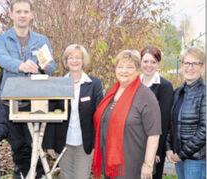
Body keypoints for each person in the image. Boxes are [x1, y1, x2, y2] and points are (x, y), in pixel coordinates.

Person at [0, 0, 57, 178]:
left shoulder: (41, 40)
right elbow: (2, 59)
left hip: (35, 100)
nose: (22, 15)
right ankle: (26, 173)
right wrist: (22, 66)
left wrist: (45, 64)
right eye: (18, 11)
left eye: (25, 11)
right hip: (10, 102)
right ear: (11, 15)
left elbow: (51, 67)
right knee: (19, 145)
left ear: (31, 15)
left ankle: (30, 174)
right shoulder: (1, 40)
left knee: (35, 144)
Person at [92, 50, 162, 179]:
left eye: (130, 67)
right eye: (120, 66)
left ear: (137, 70)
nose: (124, 71)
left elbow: (154, 134)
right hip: (111, 163)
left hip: (133, 166)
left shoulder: (145, 96)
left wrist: (148, 164)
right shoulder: (110, 92)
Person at [44, 44, 103, 179]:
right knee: (66, 176)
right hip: (63, 142)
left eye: (78, 57)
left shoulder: (94, 85)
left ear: (83, 61)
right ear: (66, 61)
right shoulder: (58, 84)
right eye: (71, 57)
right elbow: (51, 115)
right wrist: (49, 144)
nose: (74, 61)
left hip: (85, 143)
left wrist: (97, 143)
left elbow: (99, 116)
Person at [165, 47, 206, 179]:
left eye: (195, 63)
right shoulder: (178, 92)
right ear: (182, 65)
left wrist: (181, 154)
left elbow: (204, 130)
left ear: (203, 67)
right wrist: (168, 148)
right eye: (187, 63)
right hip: (178, 157)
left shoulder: (204, 92)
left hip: (196, 159)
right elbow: (171, 123)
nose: (190, 67)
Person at [140, 46, 174, 179]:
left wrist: (158, 151)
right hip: (135, 143)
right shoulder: (134, 83)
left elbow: (165, 120)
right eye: (146, 61)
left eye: (153, 62)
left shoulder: (164, 86)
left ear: (158, 64)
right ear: (140, 62)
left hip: (154, 146)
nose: (149, 65)